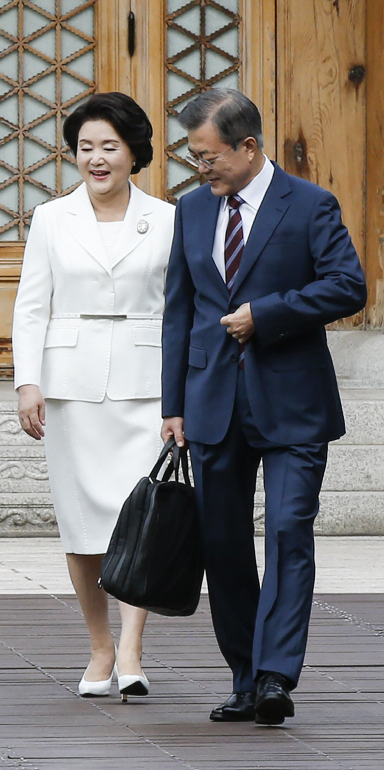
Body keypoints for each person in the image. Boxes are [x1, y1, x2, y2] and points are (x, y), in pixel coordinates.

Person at [161, 89, 367, 725]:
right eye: (193, 157)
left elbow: (348, 286)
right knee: (221, 544)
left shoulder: (310, 205)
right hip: (211, 404)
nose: (201, 169)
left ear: (248, 148)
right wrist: (173, 405)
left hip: (293, 404)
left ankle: (277, 675)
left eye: (208, 156)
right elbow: (179, 311)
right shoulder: (191, 210)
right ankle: (246, 675)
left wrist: (268, 315)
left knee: (286, 533)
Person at [12, 92, 175, 700]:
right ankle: (100, 647)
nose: (96, 159)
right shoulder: (52, 218)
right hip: (70, 389)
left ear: (134, 152)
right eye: (85, 148)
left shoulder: (168, 219)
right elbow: (32, 306)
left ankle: (133, 647)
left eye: (109, 147)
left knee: (143, 519)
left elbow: (178, 310)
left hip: (146, 383)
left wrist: (180, 392)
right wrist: (28, 381)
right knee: (82, 527)